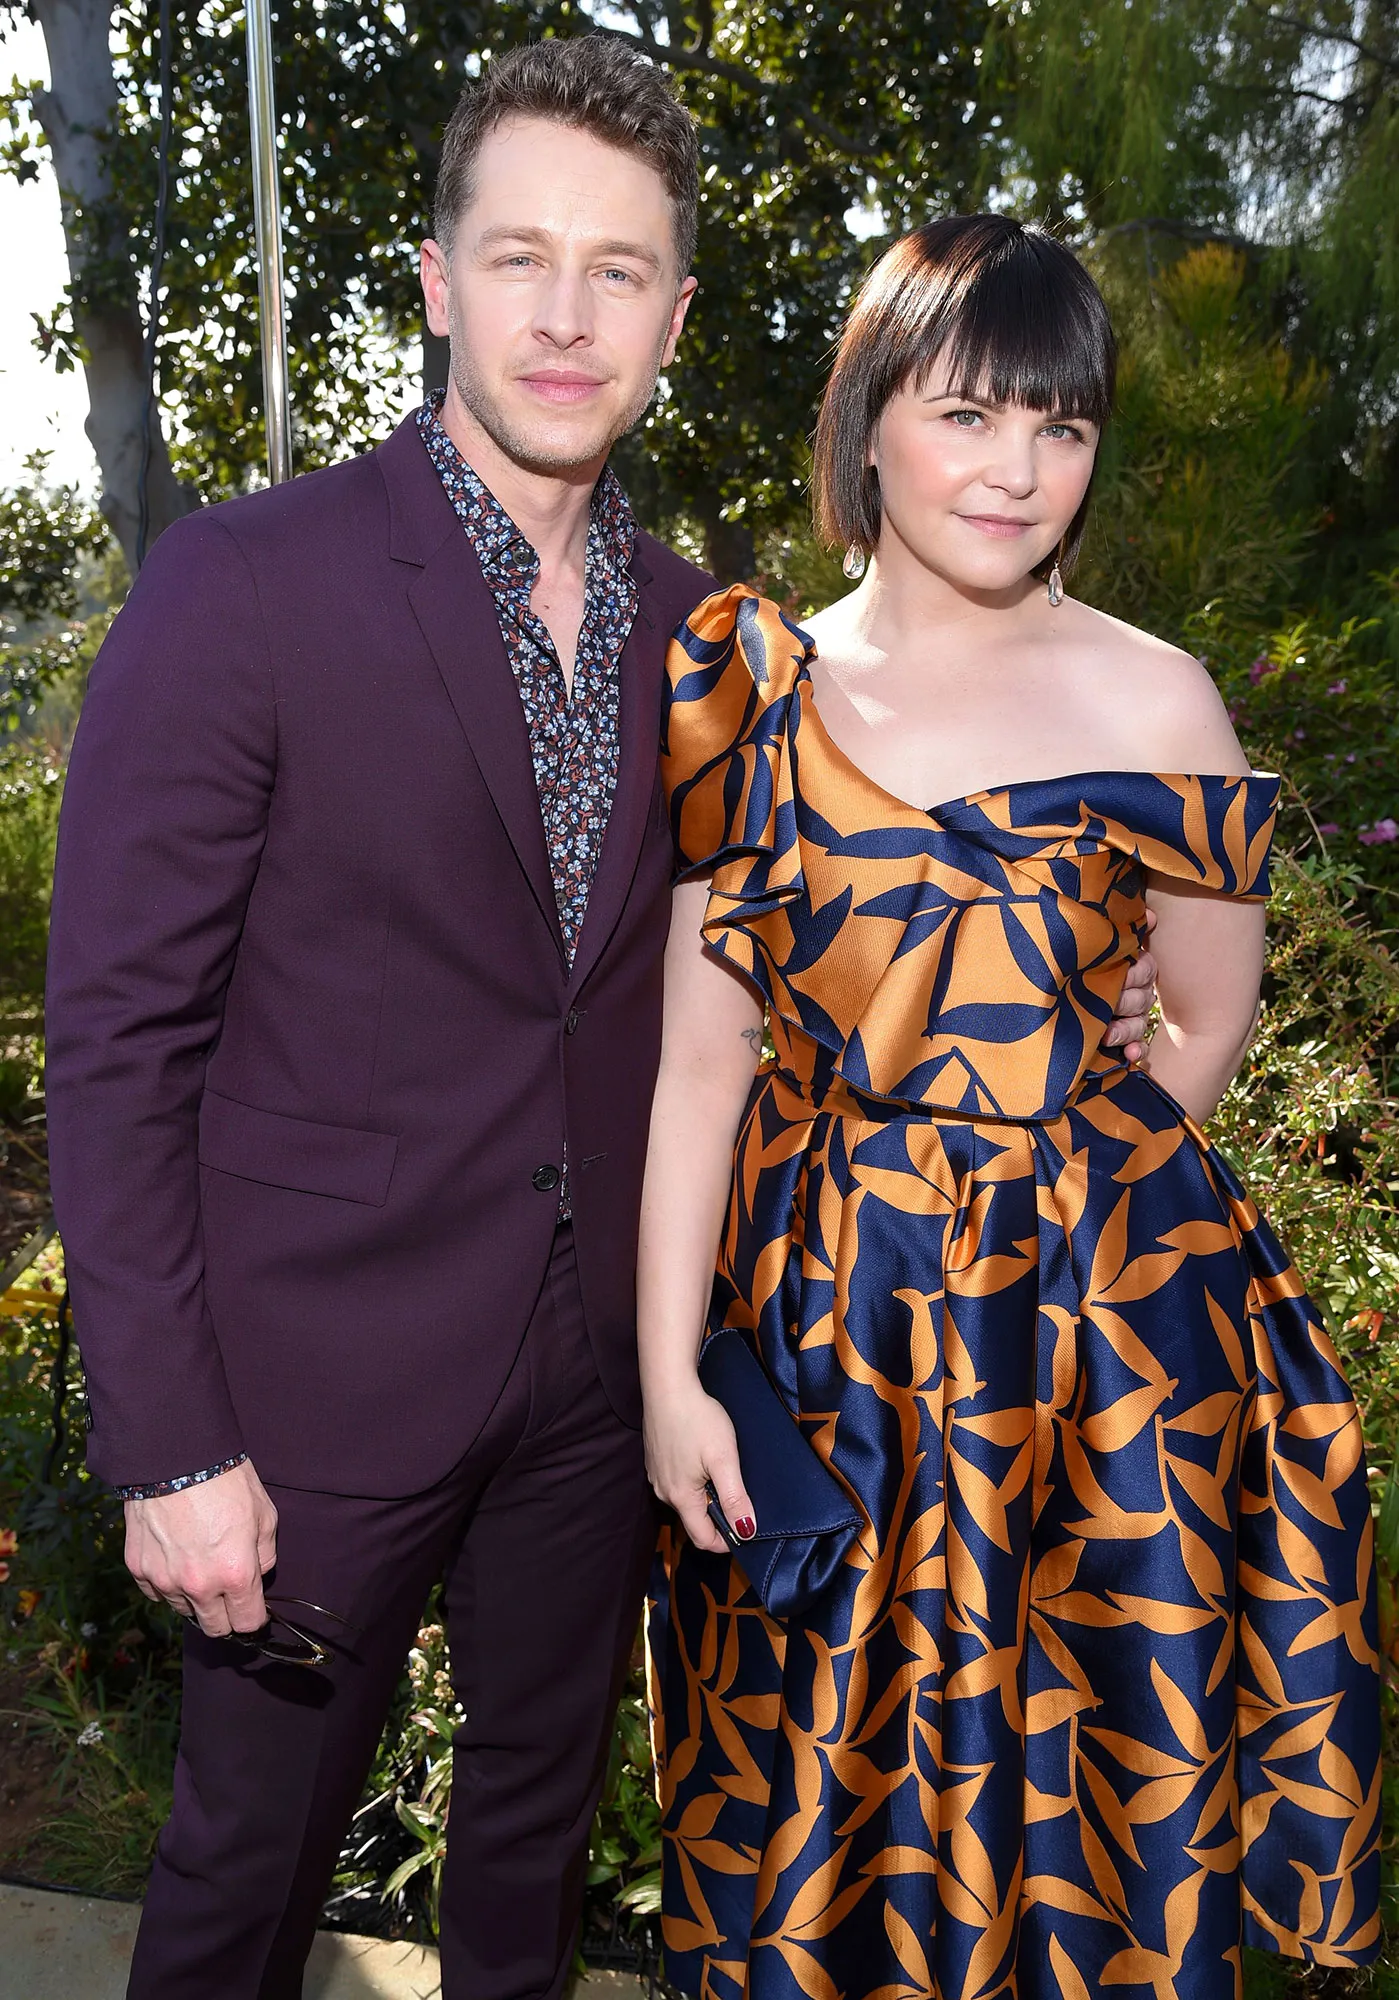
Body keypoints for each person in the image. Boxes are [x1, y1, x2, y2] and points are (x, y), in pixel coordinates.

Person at [44, 43, 1155, 1995]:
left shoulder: (701, 633)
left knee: (533, 1853)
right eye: (524, 257)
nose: (570, 316)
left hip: (596, 1385)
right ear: (436, 278)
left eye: (622, 270)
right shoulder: (243, 586)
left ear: (679, 312)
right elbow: (120, 1045)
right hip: (311, 1395)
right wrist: (168, 1442)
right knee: (245, 1877)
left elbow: (780, 962)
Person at [639, 215, 1380, 2000]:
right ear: (872, 416)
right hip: (831, 1340)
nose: (1017, 470)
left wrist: (1057, 1171)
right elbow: (698, 1063)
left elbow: (1202, 1017)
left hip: (1101, 1364)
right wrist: (670, 1379)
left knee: (1089, 1821)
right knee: (819, 1794)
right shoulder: (746, 693)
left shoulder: (1159, 697)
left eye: (1061, 429)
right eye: (971, 415)